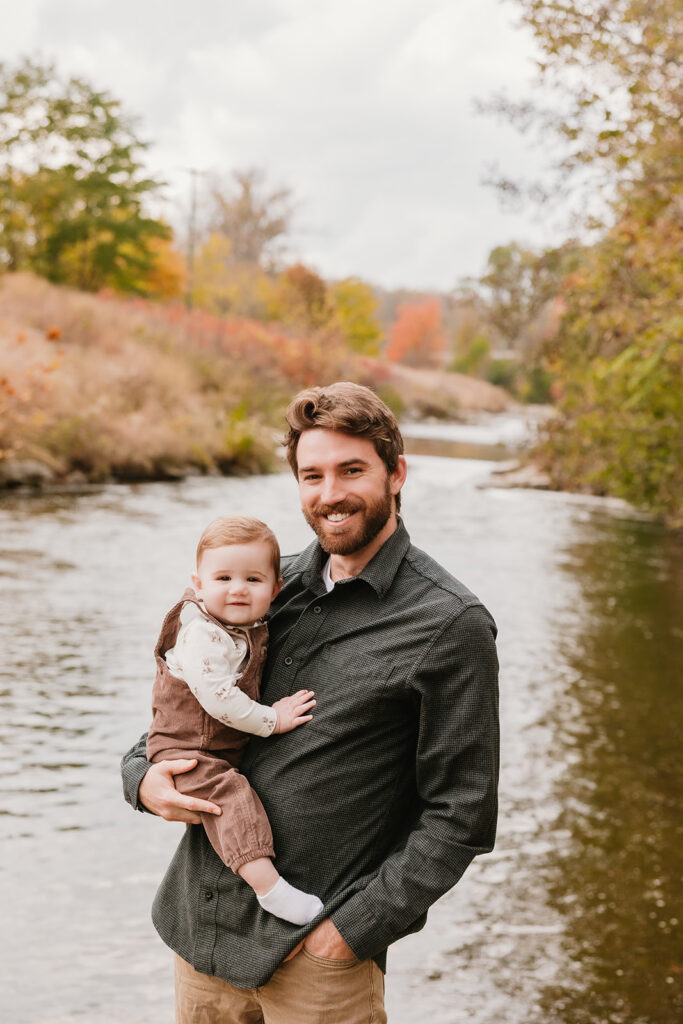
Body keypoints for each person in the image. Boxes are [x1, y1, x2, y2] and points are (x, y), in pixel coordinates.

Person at [121, 381, 499, 1024]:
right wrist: (142, 779)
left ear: (396, 474)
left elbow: (461, 814)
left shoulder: (448, 623)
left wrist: (350, 934)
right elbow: (183, 705)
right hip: (201, 935)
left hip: (316, 963)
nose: (330, 493)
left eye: (352, 470)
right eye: (311, 475)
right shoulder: (261, 586)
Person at [146, 514, 324, 925]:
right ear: (198, 584)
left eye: (253, 580)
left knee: (228, 796)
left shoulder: (247, 625)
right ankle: (270, 889)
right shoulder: (202, 634)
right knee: (229, 796)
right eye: (223, 578)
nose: (238, 589)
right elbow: (219, 699)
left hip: (215, 745)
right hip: (188, 748)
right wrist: (272, 720)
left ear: (276, 589)